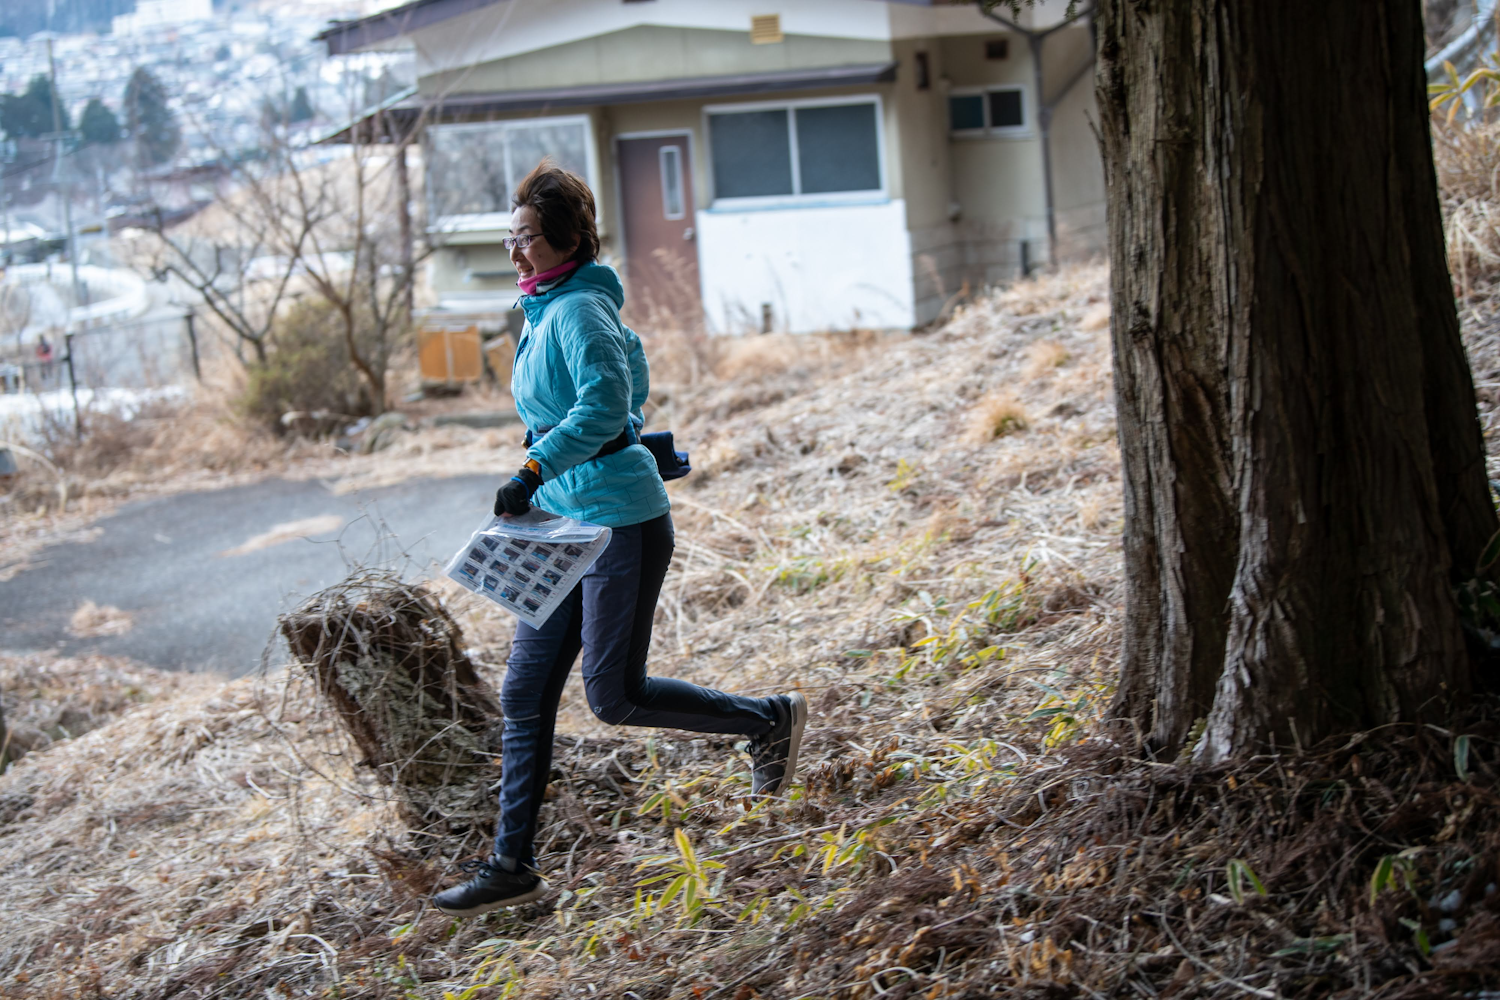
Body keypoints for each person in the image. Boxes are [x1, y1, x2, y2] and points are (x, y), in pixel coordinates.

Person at [433, 160, 807, 918]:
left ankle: (768, 720)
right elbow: (630, 380)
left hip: (616, 524)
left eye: (529, 238)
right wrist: (575, 456)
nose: (516, 251)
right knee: (524, 691)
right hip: (561, 526)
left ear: (569, 240)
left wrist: (539, 464)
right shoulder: (548, 307)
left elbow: (606, 402)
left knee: (614, 695)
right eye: (511, 237)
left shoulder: (576, 309)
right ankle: (511, 865)